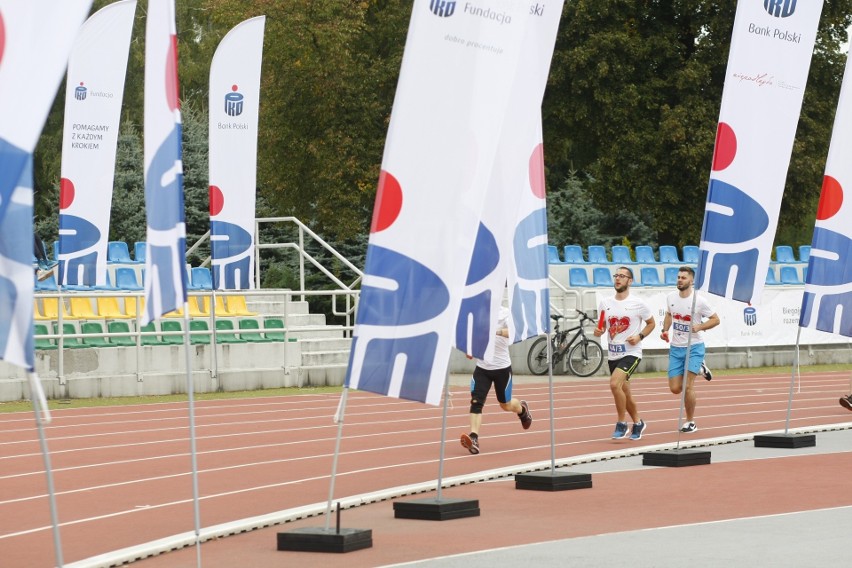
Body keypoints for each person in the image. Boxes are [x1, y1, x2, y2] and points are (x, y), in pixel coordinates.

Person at [594, 266, 655, 440]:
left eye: (622, 276)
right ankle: (638, 422)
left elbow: (651, 323)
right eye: (616, 275)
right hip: (613, 354)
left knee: (614, 385)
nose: (618, 279)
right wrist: (598, 331)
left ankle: (622, 423)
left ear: (630, 281)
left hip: (632, 353)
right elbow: (603, 327)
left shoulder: (638, 304)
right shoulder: (605, 303)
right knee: (625, 392)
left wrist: (639, 336)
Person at [460, 306, 532, 454]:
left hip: (502, 369)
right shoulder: (479, 312)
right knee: (476, 402)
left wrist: (495, 331)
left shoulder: (505, 313)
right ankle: (474, 438)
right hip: (482, 368)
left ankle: (522, 410)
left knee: (505, 405)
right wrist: (470, 349)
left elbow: (514, 333)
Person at [660, 266, 720, 433]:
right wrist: (664, 330)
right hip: (676, 348)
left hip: (694, 347)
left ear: (692, 281)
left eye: (683, 278)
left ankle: (690, 422)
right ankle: (701, 368)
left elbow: (716, 320)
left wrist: (700, 326)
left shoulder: (699, 301)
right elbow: (669, 314)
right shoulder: (670, 297)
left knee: (687, 386)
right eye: (678, 277)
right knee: (675, 388)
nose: (679, 280)